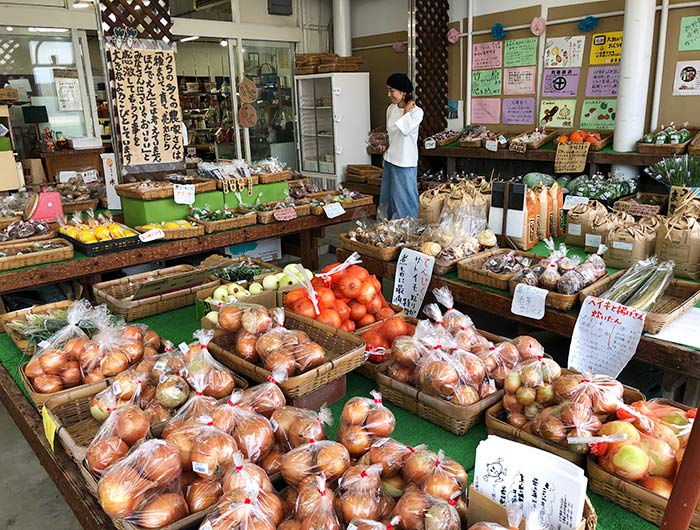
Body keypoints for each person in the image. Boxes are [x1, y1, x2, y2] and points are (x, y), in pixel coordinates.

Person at [378, 73, 424, 219]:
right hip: (390, 159)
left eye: (392, 90)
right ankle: (390, 231)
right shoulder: (391, 109)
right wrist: (383, 145)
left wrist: (405, 111)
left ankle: (409, 232)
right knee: (388, 199)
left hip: (405, 162)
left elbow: (405, 130)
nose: (389, 94)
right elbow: (390, 133)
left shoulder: (417, 112)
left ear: (403, 92)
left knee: (406, 201)